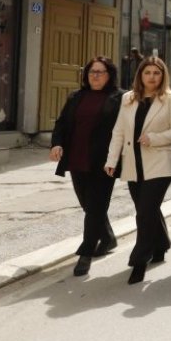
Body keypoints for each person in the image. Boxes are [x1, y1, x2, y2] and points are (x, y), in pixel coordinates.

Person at [105, 57, 171, 285]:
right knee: (146, 209)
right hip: (133, 162)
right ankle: (161, 245)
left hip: (159, 162)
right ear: (140, 75)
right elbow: (119, 131)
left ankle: (140, 260)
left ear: (163, 76)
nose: (152, 77)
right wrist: (112, 159)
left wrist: (154, 138)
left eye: (156, 73)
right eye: (147, 72)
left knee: (144, 212)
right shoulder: (128, 98)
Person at [50, 57, 125, 277]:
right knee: (89, 205)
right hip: (77, 159)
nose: (96, 76)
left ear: (110, 75)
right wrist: (57, 143)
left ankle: (86, 253)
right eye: (92, 72)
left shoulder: (120, 98)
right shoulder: (76, 96)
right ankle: (108, 237)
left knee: (95, 207)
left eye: (101, 72)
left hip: (104, 162)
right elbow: (62, 123)